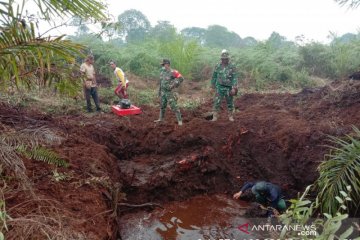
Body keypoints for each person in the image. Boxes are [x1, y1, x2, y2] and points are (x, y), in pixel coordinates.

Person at [211, 49, 238, 122]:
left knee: (230, 102)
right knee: (217, 102)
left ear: (228, 58)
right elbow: (214, 76)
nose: (224, 60)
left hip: (229, 88)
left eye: (226, 59)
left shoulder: (232, 66)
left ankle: (231, 116)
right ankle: (215, 117)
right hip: (219, 87)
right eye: (223, 59)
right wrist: (212, 85)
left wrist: (234, 88)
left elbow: (235, 77)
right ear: (221, 59)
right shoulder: (218, 66)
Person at [154, 59, 184, 126]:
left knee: (174, 106)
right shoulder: (162, 72)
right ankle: (161, 119)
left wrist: (174, 84)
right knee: (162, 106)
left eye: (164, 65)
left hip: (170, 92)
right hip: (163, 92)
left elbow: (181, 78)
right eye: (163, 65)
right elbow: (161, 83)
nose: (163, 66)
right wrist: (159, 92)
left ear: (167, 64)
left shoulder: (173, 72)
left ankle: (180, 121)